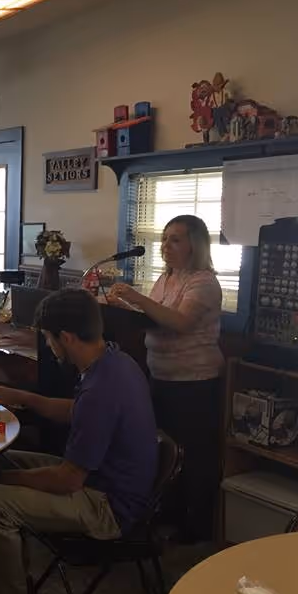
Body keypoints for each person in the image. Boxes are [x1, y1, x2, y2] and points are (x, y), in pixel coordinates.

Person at [0, 289, 159, 594]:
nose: (48, 344)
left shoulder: (101, 389)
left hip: (108, 506)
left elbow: (68, 479)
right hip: (104, 483)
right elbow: (75, 411)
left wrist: (9, 480)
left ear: (67, 338)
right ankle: (10, 571)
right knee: (3, 457)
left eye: (48, 337)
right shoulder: (115, 362)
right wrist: (20, 397)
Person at [107, 214, 223, 542]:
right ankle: (169, 511)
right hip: (161, 373)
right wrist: (118, 307)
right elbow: (152, 318)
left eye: (175, 239)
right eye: (165, 238)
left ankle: (196, 526)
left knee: (194, 454)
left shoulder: (203, 281)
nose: (166, 246)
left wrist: (136, 298)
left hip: (194, 380)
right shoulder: (166, 278)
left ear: (194, 245)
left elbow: (180, 322)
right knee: (167, 450)